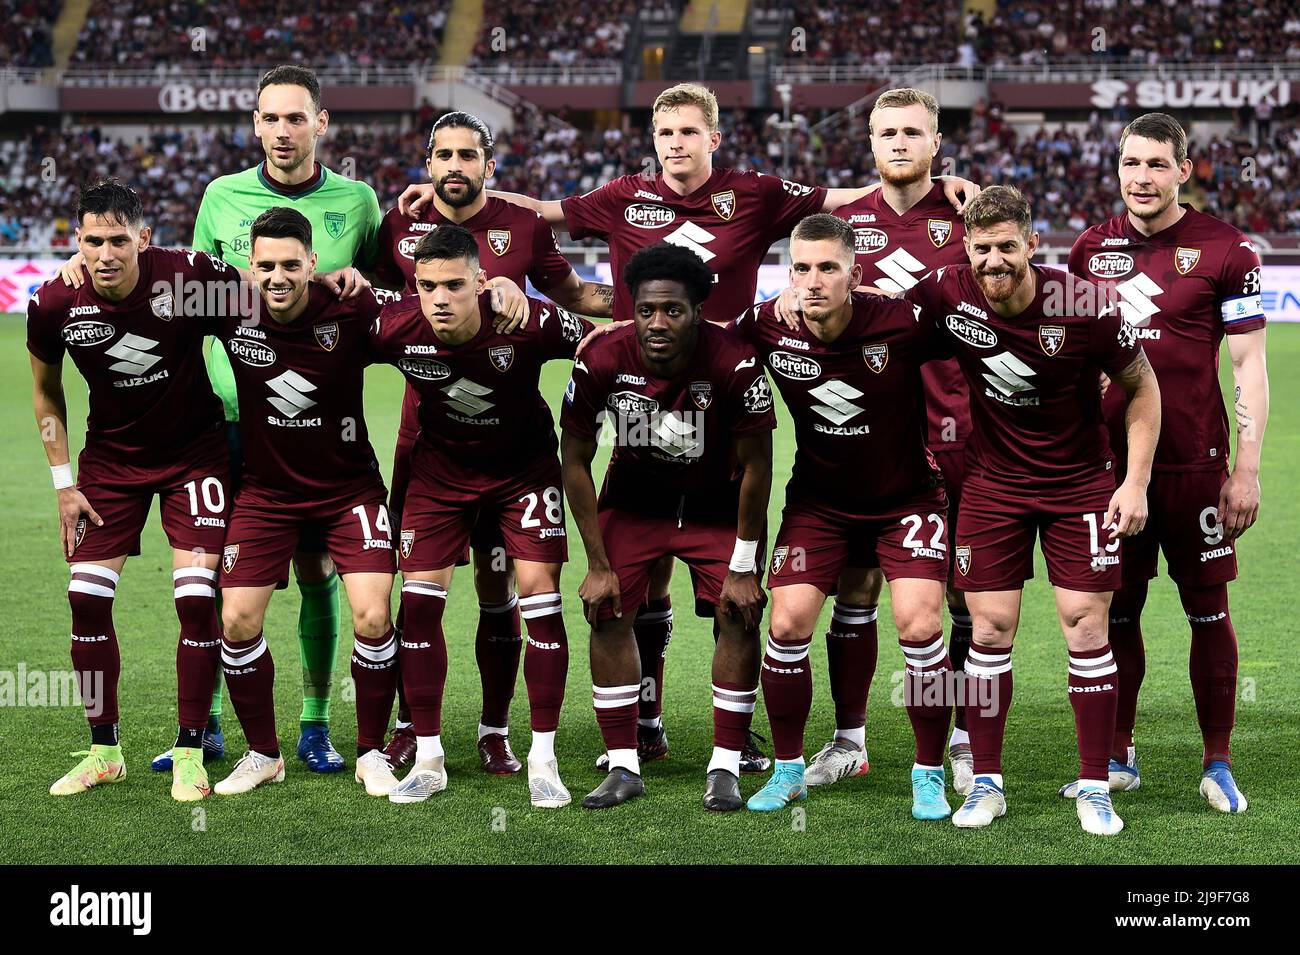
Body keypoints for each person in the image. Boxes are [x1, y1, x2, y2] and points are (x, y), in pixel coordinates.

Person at [403, 82, 977, 775]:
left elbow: (839, 203)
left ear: (714, 137)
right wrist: (446, 204)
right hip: (647, 412)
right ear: (654, 140)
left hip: (793, 409)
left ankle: (922, 737)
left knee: (911, 596)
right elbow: (542, 211)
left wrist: (940, 179)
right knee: (646, 582)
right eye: (664, 132)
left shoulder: (761, 194)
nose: (676, 143)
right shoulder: (621, 197)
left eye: (688, 131)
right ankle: (652, 724)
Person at [906, 186, 1162, 835]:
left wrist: (1134, 483)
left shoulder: (1086, 304)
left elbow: (1142, 385)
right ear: (967, 248)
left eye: (1006, 247)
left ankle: (1095, 785)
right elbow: (877, 329)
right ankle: (986, 782)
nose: (994, 260)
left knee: (1085, 626)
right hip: (993, 484)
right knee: (988, 631)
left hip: (1080, 483)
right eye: (982, 248)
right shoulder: (946, 291)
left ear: (1032, 243)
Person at [371, 110, 612, 774]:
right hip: (422, 445)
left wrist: (652, 300)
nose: (454, 166)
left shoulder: (524, 227)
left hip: (513, 450)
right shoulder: (397, 225)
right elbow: (364, 300)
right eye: (442, 155)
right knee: (412, 589)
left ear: (489, 164)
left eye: (467, 155)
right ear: (427, 163)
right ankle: (407, 727)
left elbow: (576, 299)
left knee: (498, 585)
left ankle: (495, 730)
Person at [772, 88, 978, 793]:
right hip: (859, 445)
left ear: (936, 143)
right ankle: (849, 738)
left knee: (960, 599)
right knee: (853, 587)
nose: (898, 142)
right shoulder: (840, 226)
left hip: (956, 436)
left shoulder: (964, 218)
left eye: (912, 132)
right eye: (886, 131)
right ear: (870, 142)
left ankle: (960, 738)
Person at [1065, 113, 1268, 813]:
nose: (1141, 178)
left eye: (1156, 164)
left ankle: (1218, 760)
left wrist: (1246, 469)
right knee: (1119, 609)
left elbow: (1248, 366)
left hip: (1195, 469)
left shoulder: (1227, 248)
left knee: (1207, 610)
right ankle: (1119, 753)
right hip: (1110, 469)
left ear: (1185, 169)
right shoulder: (1090, 250)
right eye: (1130, 163)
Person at [734, 214, 957, 819]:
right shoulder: (765, 326)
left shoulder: (901, 321)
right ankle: (787, 771)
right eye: (801, 268)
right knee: (786, 627)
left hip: (905, 499)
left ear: (855, 275)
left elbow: (983, 325)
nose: (813, 281)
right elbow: (695, 341)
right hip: (819, 504)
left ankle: (929, 772)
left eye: (828, 268)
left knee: (918, 626)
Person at [28, 180, 233, 802]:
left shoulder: (191, 276)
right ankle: (104, 749)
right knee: (85, 602)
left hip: (196, 459)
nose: (106, 253)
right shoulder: (54, 301)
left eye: (120, 240)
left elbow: (264, 314)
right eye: (93, 241)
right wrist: (65, 485)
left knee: (197, 601)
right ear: (77, 241)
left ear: (145, 238)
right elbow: (46, 392)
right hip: (111, 465)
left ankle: (192, 749)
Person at [560, 242, 775, 811]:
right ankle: (625, 765)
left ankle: (726, 764)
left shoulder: (734, 362)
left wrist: (745, 566)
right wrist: (597, 564)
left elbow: (758, 467)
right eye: (646, 310)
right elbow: (574, 460)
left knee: (739, 613)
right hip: (634, 502)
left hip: (715, 506)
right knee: (606, 612)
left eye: (673, 311)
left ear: (697, 310)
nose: (658, 323)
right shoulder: (601, 358)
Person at [205, 207, 401, 798]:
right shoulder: (228, 307)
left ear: (314, 263)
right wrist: (81, 266)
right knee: (236, 620)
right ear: (249, 267)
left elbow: (429, 313)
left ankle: (370, 752)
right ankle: (264, 753)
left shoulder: (351, 307)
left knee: (373, 615)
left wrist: (494, 286)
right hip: (266, 494)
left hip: (349, 491)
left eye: (291, 264)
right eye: (265, 265)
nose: (278, 276)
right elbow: (148, 289)